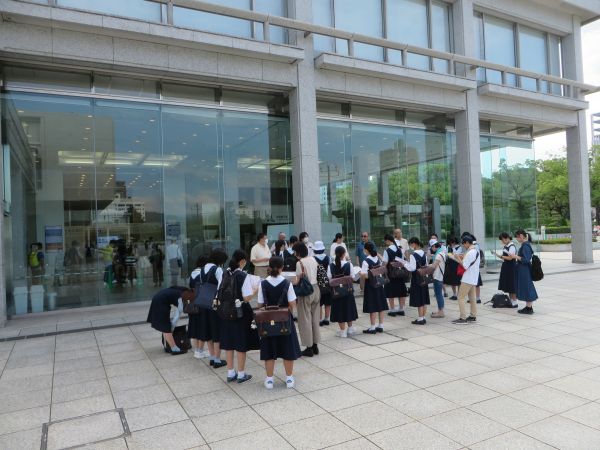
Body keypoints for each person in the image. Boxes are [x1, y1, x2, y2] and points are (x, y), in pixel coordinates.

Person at [258, 256, 301, 389]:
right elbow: (292, 304)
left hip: (267, 323)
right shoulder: (287, 284)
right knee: (288, 350)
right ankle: (289, 378)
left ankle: (269, 380)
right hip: (284, 322)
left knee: (269, 351)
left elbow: (260, 305)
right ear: (282, 268)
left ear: (269, 267)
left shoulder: (263, 284)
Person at [220, 249, 257, 384]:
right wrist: (256, 290)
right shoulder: (242, 275)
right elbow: (246, 298)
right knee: (241, 342)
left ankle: (230, 373)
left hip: (225, 311)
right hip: (240, 312)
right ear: (242, 261)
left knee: (229, 342)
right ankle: (241, 374)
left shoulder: (224, 273)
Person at [188, 248, 228, 368]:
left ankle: (212, 357)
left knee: (209, 331)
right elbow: (222, 286)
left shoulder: (202, 269)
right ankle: (217, 360)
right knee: (216, 332)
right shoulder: (217, 269)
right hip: (214, 304)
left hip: (203, 303)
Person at [293, 242, 321, 356]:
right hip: (316, 289)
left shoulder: (299, 263)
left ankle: (308, 347)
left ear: (298, 252)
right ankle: (315, 345)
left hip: (306, 291)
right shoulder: (313, 259)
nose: (294, 254)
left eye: (295, 252)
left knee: (305, 319)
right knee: (315, 318)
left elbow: (297, 280)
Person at [147, 286, 190, 355]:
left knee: (165, 325)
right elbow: (178, 314)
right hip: (161, 302)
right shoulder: (182, 296)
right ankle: (174, 349)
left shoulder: (179, 291)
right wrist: (172, 327)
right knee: (166, 326)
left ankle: (167, 346)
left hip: (158, 299)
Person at [328, 246, 359, 337]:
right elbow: (353, 277)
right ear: (344, 254)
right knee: (348, 308)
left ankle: (342, 331)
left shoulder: (331, 266)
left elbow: (329, 278)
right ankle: (350, 329)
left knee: (339, 310)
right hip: (348, 291)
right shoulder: (349, 264)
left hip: (336, 293)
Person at [400, 237, 430, 325]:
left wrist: (405, 264)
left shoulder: (413, 255)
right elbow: (426, 265)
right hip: (423, 277)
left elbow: (412, 268)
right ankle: (423, 317)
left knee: (419, 298)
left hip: (416, 278)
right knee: (423, 298)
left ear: (414, 244)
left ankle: (420, 319)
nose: (410, 246)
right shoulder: (423, 253)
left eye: (410, 244)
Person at [450, 234, 480, 324]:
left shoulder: (470, 252)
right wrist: (461, 257)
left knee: (460, 297)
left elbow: (464, 265)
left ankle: (462, 318)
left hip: (468, 278)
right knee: (472, 298)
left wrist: (457, 258)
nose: (463, 246)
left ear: (467, 243)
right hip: (473, 278)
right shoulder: (475, 251)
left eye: (464, 244)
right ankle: (473, 316)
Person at [361, 241, 388, 333]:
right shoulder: (377, 258)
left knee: (372, 306)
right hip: (379, 284)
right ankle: (381, 326)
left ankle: (372, 327)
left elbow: (365, 276)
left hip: (370, 285)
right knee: (380, 304)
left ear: (366, 250)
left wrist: (361, 274)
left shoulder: (366, 261)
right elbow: (383, 264)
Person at [187, 256, 210, 359]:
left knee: (195, 326)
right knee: (202, 326)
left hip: (193, 302)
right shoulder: (203, 273)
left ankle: (197, 350)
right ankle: (200, 350)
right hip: (202, 302)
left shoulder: (193, 272)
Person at [514, 229, 538, 314]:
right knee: (526, 287)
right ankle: (528, 307)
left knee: (527, 287)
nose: (517, 239)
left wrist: (515, 256)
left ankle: (529, 308)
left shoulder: (525, 246)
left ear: (521, 236)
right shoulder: (525, 245)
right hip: (524, 269)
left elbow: (526, 259)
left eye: (517, 237)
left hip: (524, 270)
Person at [382, 234, 407, 317]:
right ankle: (401, 309)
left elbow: (385, 263)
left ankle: (392, 309)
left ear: (387, 240)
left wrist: (382, 270)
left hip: (391, 274)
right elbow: (402, 260)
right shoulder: (399, 249)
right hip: (400, 273)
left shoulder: (387, 250)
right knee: (401, 291)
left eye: (385, 241)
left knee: (390, 291)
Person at [495, 232, 518, 308]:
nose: (502, 241)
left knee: (512, 284)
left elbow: (510, 258)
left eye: (503, 240)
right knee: (508, 284)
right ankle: (511, 301)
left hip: (511, 267)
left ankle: (514, 301)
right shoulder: (506, 246)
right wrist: (499, 256)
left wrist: (501, 256)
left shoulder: (512, 246)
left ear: (507, 238)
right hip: (506, 266)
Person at [313, 241, 332, 326]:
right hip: (327, 282)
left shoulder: (313, 259)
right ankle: (327, 318)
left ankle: (320, 319)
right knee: (328, 302)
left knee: (319, 302)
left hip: (317, 283)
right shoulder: (328, 258)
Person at [429, 241, 447, 318]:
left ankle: (441, 312)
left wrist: (427, 267)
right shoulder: (442, 253)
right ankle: (440, 310)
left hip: (437, 276)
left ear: (434, 246)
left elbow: (434, 266)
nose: (431, 249)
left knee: (438, 294)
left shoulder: (438, 255)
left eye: (431, 247)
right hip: (440, 276)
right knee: (439, 294)